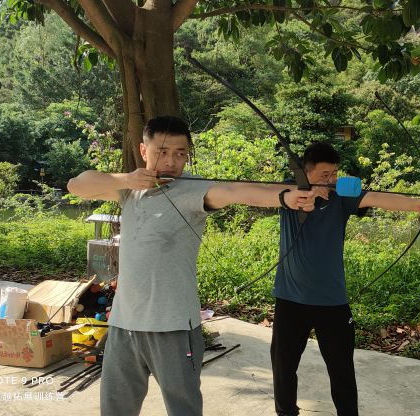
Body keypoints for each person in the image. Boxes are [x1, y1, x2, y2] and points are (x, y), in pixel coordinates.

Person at [66, 115, 315, 416]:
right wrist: (127, 179)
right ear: (144, 151)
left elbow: (235, 191)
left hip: (173, 327)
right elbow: (76, 185)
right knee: (115, 409)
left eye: (180, 153)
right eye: (162, 151)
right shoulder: (129, 189)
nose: (171, 161)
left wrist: (286, 197)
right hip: (124, 324)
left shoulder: (194, 189)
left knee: (183, 409)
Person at [271, 142, 420, 416]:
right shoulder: (289, 191)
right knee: (283, 365)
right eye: (324, 175)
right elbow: (271, 193)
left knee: (342, 369)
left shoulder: (341, 196)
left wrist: (416, 204)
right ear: (305, 173)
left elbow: (376, 198)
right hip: (290, 299)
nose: (331, 180)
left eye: (334, 173)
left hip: (332, 302)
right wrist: (303, 193)